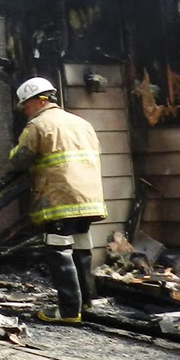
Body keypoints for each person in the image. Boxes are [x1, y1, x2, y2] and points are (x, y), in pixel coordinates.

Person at [8, 77, 107, 324]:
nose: (25, 112)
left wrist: (13, 150)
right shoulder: (82, 124)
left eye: (26, 106)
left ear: (38, 101)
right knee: (82, 249)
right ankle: (86, 304)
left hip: (60, 201)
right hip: (90, 201)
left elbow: (19, 160)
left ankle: (68, 311)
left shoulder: (39, 126)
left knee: (59, 252)